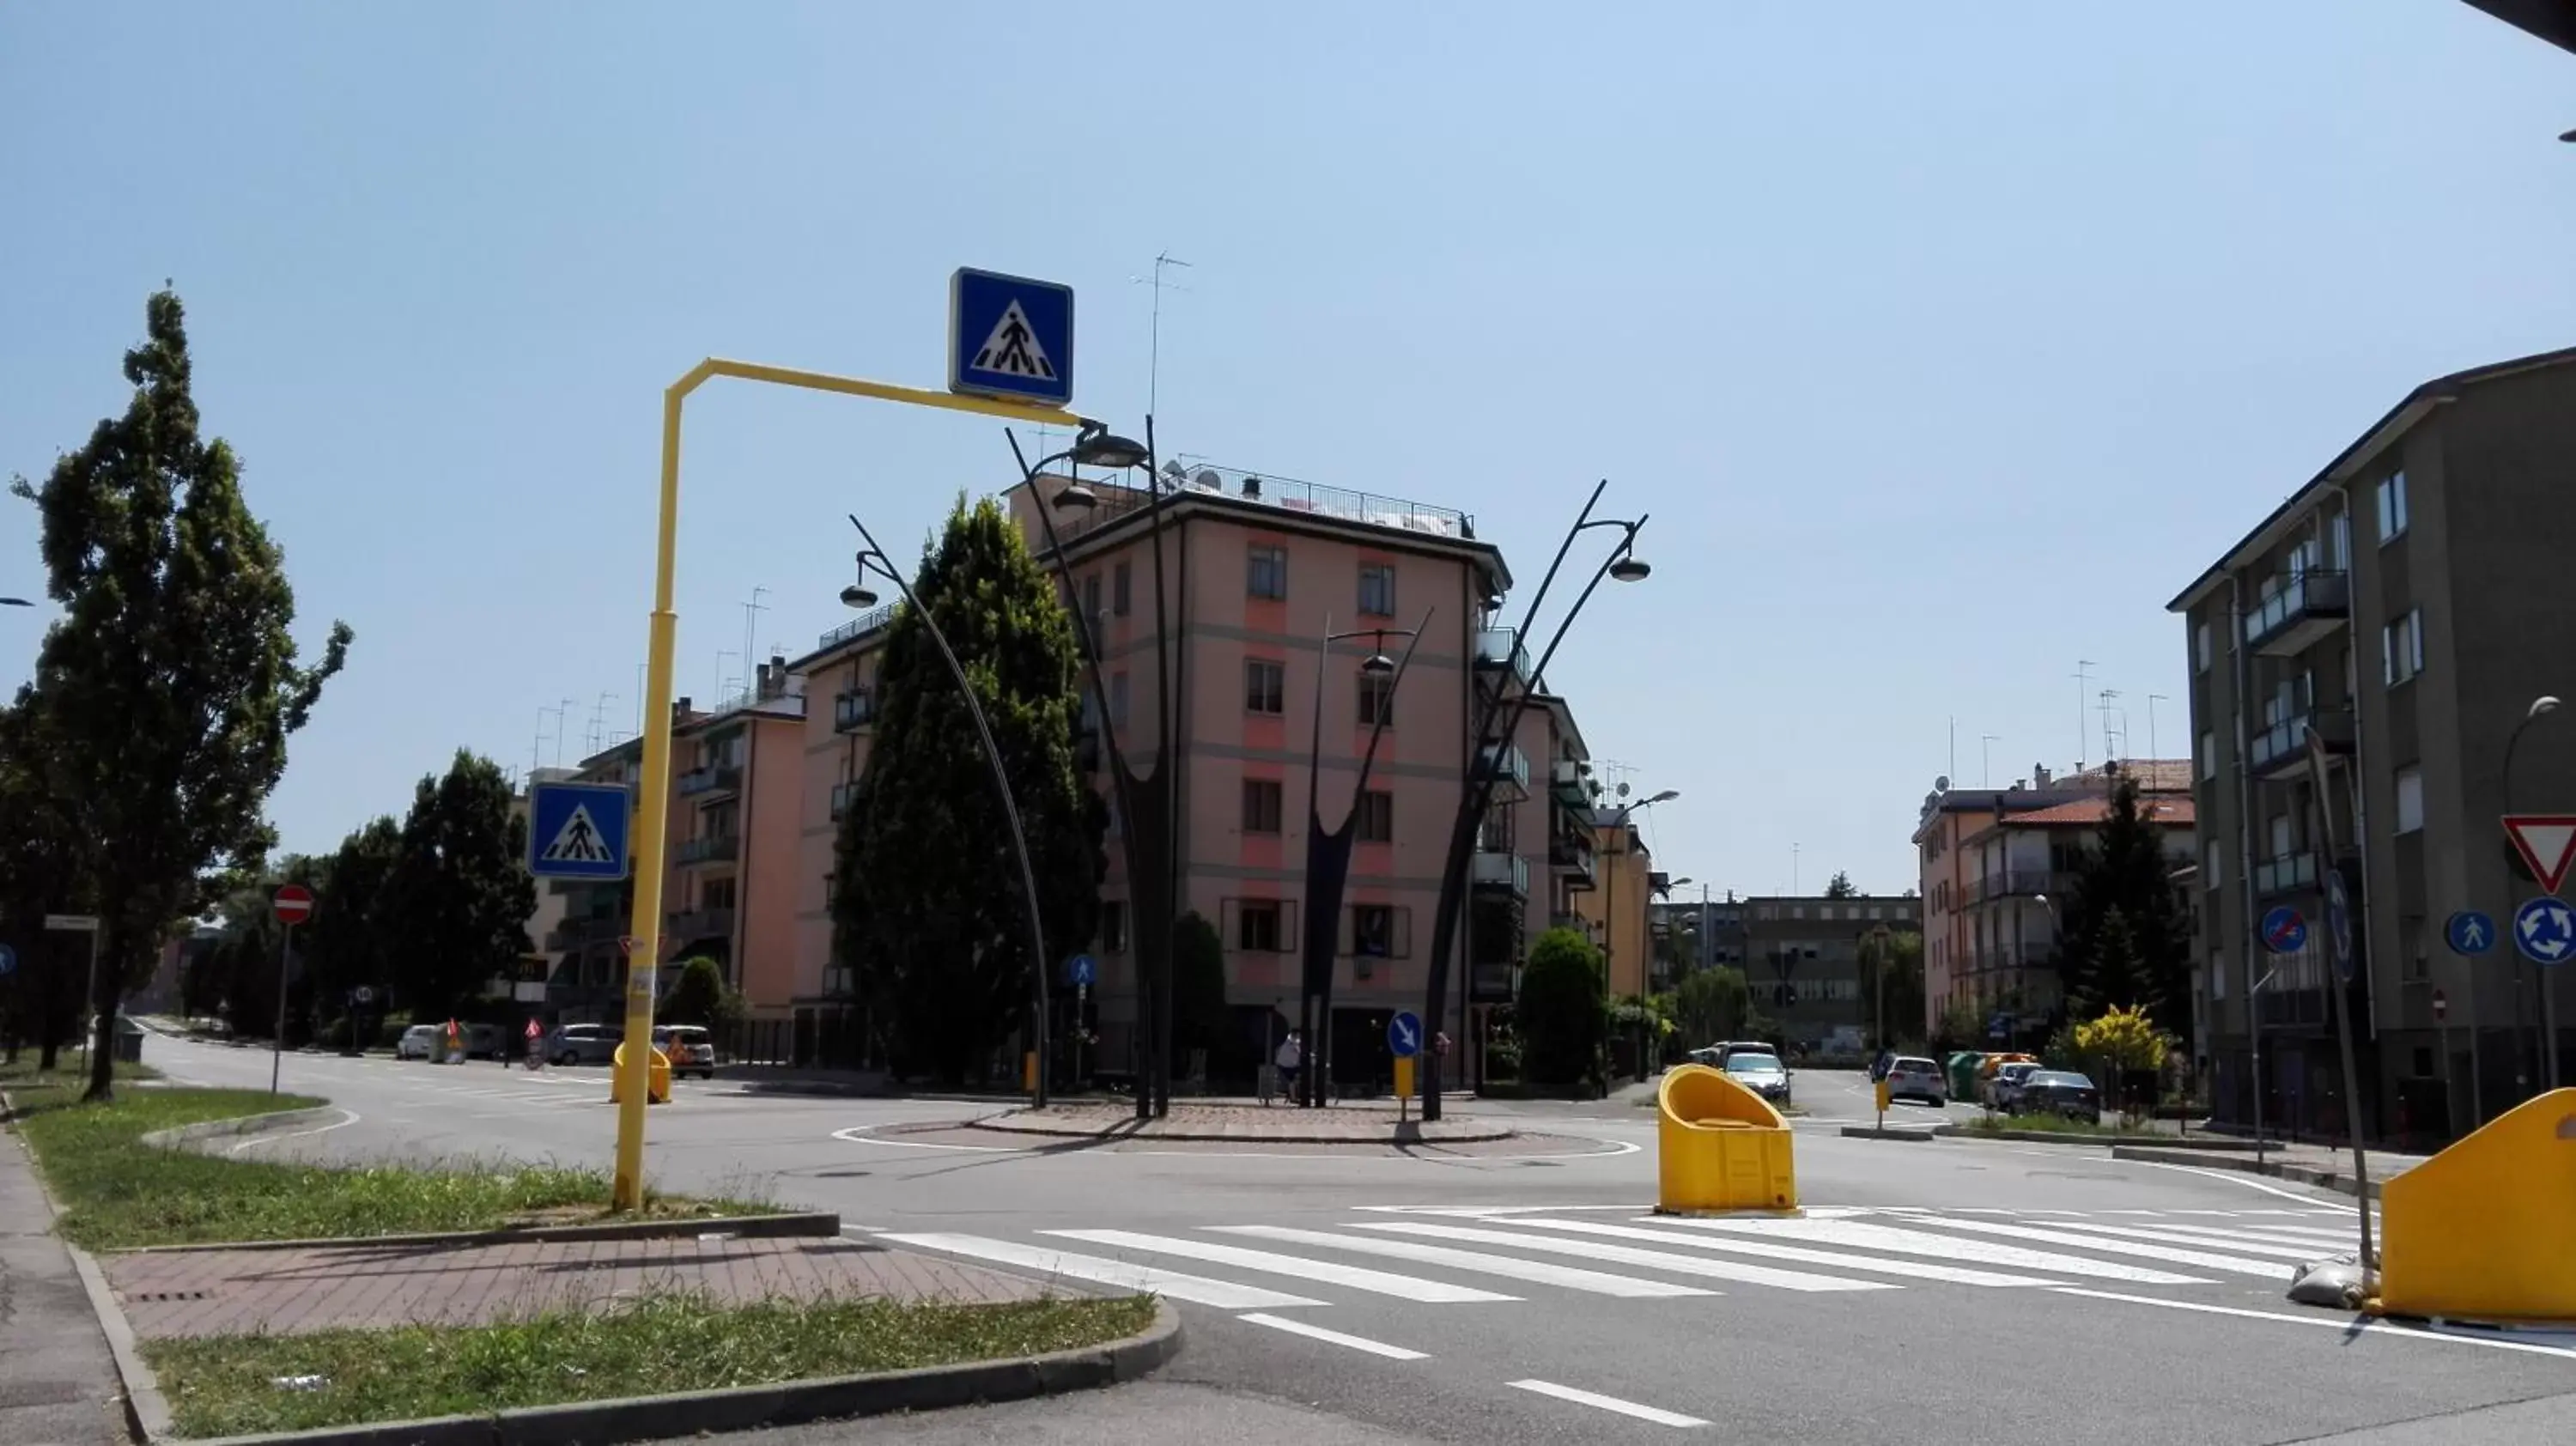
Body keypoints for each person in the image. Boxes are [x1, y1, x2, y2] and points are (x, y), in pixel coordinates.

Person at [1275, 1030, 1303, 1102]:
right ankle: (1293, 1097)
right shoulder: (1291, 1042)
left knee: (1296, 1079)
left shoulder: (1290, 1041)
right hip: (1286, 1066)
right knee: (1293, 1080)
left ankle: (1293, 1095)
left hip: (1288, 1065)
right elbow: (1298, 1051)